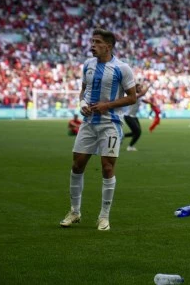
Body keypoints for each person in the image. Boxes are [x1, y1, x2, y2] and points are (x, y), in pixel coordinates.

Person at [59, 28, 136, 231]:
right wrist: (82, 103)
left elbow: (132, 97)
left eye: (97, 42)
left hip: (111, 124)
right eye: (92, 41)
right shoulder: (88, 65)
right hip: (89, 123)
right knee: (77, 165)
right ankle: (75, 212)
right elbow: (83, 91)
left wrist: (107, 106)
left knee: (107, 167)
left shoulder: (122, 68)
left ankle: (104, 216)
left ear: (108, 46)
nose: (92, 45)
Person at [124, 83, 149, 151]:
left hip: (134, 117)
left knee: (137, 132)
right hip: (128, 116)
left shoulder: (139, 96)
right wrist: (147, 87)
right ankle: (130, 147)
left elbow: (144, 100)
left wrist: (152, 103)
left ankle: (122, 136)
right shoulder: (133, 95)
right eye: (139, 88)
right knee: (137, 132)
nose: (140, 89)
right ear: (135, 88)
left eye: (141, 87)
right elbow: (142, 94)